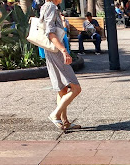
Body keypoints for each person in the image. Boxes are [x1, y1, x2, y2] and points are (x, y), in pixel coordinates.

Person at [41, 0, 82, 131]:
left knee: (62, 89)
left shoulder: (48, 7)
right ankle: (55, 114)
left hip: (52, 51)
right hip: (56, 52)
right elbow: (50, 32)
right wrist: (63, 50)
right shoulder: (51, 7)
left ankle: (65, 122)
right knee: (76, 88)